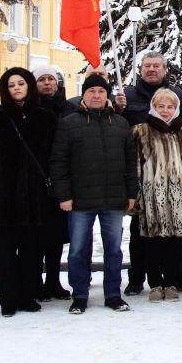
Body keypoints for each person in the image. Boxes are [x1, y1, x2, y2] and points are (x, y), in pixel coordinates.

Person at [51, 73, 139, 314]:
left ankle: (113, 294)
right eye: (92, 91)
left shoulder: (120, 123)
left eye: (101, 91)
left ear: (107, 95)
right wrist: (64, 195)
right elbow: (58, 163)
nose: (97, 95)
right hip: (80, 201)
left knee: (114, 250)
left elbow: (130, 162)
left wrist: (131, 193)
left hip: (113, 198)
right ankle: (80, 295)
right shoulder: (69, 123)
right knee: (78, 250)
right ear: (84, 95)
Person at [0, 68, 58, 318]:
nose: (17, 88)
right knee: (7, 250)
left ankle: (27, 295)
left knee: (31, 249)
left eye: (21, 83)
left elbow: (54, 156)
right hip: (5, 195)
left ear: (29, 86)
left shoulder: (45, 118)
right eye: (11, 85)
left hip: (35, 195)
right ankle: (9, 299)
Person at [132, 88, 182, 303]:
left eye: (170, 107)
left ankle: (171, 282)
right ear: (153, 107)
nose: (165, 111)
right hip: (152, 196)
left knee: (174, 243)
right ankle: (155, 284)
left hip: (179, 196)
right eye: (161, 106)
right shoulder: (141, 131)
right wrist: (135, 196)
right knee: (152, 241)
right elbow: (135, 165)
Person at [33, 65, 72, 299]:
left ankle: (53, 281)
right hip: (36, 180)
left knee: (57, 236)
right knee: (37, 235)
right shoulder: (29, 109)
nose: (47, 83)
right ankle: (35, 281)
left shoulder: (69, 109)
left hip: (61, 180)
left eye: (51, 79)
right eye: (42, 79)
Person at [121, 52, 182, 126]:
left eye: (156, 66)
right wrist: (118, 108)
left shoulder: (178, 95)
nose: (151, 69)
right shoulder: (127, 95)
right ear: (141, 70)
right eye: (147, 66)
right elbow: (119, 122)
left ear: (165, 70)